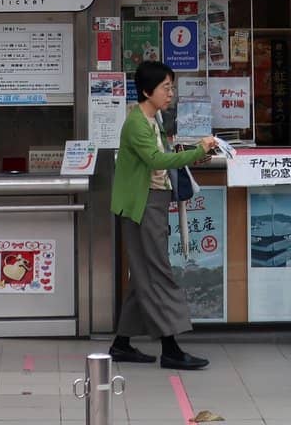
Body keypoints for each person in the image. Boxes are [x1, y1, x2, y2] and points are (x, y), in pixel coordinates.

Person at [109, 61, 219, 369]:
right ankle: (171, 348)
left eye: (172, 87)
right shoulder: (136, 123)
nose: (171, 93)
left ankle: (121, 344)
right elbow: (156, 158)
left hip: (151, 202)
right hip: (142, 206)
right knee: (158, 272)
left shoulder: (151, 118)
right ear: (147, 91)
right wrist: (198, 150)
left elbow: (160, 159)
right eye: (165, 88)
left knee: (144, 274)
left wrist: (194, 152)